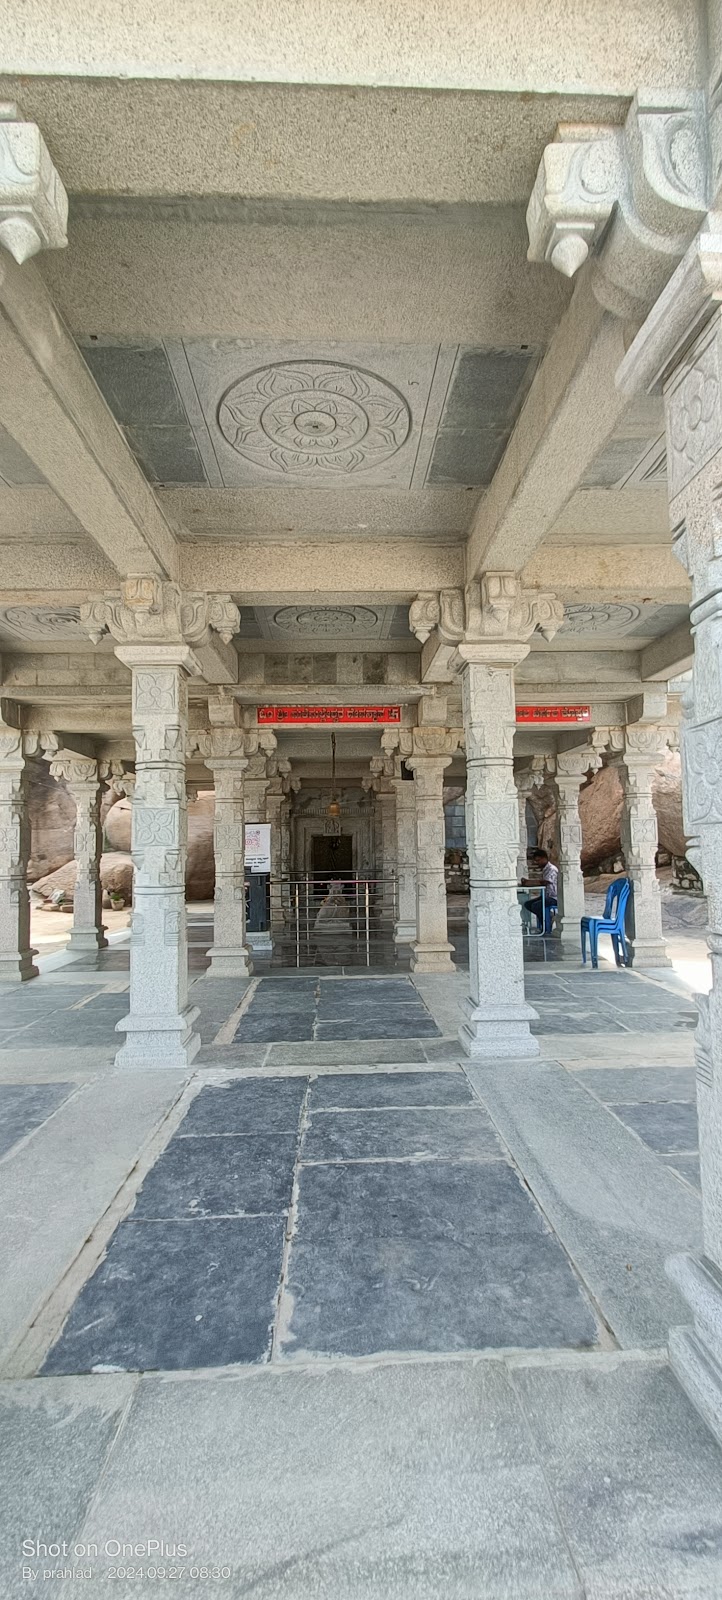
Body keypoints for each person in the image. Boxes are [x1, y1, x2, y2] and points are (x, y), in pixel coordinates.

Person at [521, 848, 558, 933]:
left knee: (536, 906)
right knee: (528, 904)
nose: (537, 863)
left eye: (538, 860)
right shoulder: (545, 869)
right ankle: (546, 918)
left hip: (554, 897)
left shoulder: (552, 869)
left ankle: (547, 925)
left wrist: (529, 882)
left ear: (544, 858)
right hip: (546, 896)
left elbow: (545, 882)